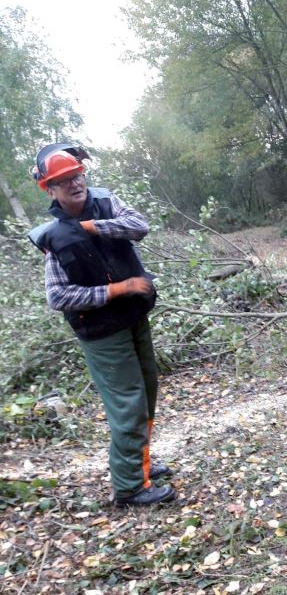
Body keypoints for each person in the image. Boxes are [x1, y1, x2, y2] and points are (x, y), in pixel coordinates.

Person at [28, 144, 176, 505]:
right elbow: (58, 296)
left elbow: (140, 226)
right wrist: (117, 289)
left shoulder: (106, 203)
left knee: (146, 392)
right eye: (63, 180)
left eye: (76, 175)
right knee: (128, 403)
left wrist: (92, 228)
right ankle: (129, 487)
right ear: (50, 189)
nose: (74, 183)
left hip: (134, 316)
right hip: (101, 332)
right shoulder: (54, 236)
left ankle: (140, 464)